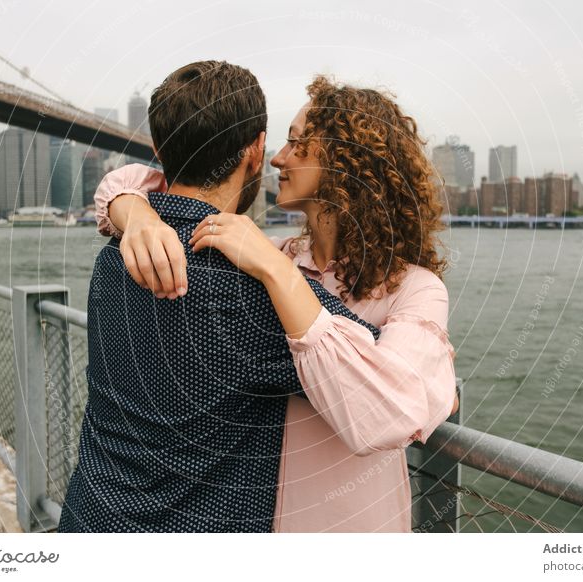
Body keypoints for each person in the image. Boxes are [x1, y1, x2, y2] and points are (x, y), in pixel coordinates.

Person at [95, 76, 459, 533]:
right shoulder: (269, 254)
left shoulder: (415, 288)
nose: (278, 158)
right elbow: (126, 181)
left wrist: (279, 273)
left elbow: (388, 413)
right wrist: (137, 213)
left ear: (349, 161)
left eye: (296, 143)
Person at [57, 61, 378, 533]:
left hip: (89, 522)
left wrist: (131, 208)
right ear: (256, 150)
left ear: (158, 150)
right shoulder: (259, 293)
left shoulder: (114, 258)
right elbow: (373, 366)